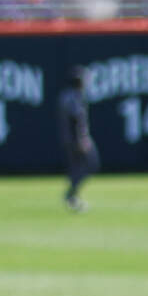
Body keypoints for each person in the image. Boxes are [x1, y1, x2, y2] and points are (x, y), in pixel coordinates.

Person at [59, 66, 97, 211]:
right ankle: (71, 194)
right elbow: (75, 119)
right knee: (91, 163)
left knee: (77, 167)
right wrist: (81, 139)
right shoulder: (74, 96)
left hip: (69, 139)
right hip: (76, 139)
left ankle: (73, 196)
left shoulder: (67, 95)